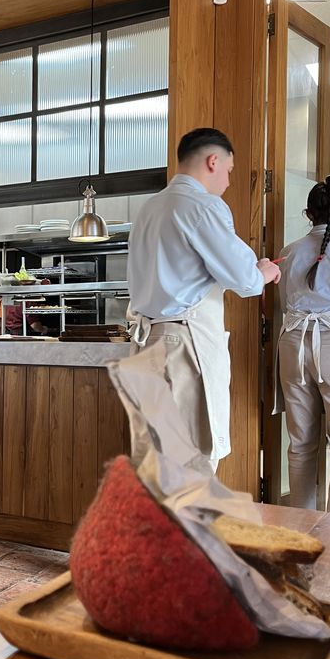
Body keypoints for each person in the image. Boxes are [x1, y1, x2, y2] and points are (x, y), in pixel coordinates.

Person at [127, 128, 280, 468]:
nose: (228, 180)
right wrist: (265, 271)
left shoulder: (149, 209)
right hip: (181, 344)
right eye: (229, 170)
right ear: (213, 161)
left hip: (145, 341)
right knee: (191, 461)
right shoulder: (203, 206)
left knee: (155, 461)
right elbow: (245, 279)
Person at [276, 176, 330, 514]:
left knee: (301, 445)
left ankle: (300, 531)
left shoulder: (289, 252)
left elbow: (283, 304)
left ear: (308, 213)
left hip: (293, 346)